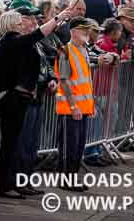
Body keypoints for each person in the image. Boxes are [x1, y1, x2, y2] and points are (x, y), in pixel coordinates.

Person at [0, 7, 70, 198]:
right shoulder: (10, 41)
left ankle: (17, 182)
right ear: (10, 25)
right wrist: (59, 17)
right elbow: (38, 34)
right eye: (19, 23)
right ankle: (7, 184)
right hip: (10, 99)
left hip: (21, 98)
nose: (22, 25)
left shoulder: (17, 43)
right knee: (11, 144)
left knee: (19, 143)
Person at [54, 17, 97, 190]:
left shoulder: (83, 50)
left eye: (88, 29)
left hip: (83, 107)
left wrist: (90, 105)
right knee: (69, 148)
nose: (87, 32)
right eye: (83, 29)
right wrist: (73, 106)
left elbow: (85, 81)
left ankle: (72, 179)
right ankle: (66, 180)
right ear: (73, 32)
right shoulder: (65, 51)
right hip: (70, 108)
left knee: (78, 147)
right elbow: (64, 81)